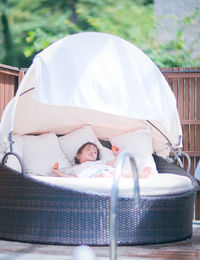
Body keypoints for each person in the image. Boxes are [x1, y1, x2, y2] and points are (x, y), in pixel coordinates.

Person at [52, 142, 151, 178]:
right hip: (92, 176)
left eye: (95, 151)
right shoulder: (76, 168)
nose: (92, 151)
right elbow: (73, 178)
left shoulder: (100, 163)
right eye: (88, 149)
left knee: (118, 171)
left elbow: (114, 163)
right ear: (78, 156)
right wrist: (59, 173)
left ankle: (138, 175)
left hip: (107, 171)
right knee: (106, 174)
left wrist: (118, 154)